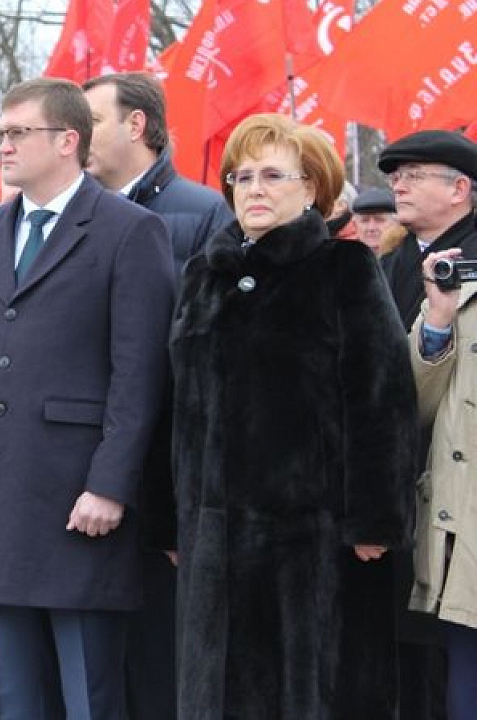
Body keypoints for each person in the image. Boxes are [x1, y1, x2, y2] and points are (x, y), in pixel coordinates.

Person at [0, 77, 174, 720]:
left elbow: (140, 372)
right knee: (17, 695)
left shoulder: (130, 231)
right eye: (1, 133)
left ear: (67, 141)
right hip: (0, 500)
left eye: (18, 133)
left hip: (80, 503)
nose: (4, 146)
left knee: (88, 692)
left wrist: (112, 485)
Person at [170, 113, 417, 720]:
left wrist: (375, 521)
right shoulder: (204, 276)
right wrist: (169, 519)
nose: (253, 188)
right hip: (212, 536)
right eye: (242, 175)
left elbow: (381, 401)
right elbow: (178, 403)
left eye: (273, 175)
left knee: (308, 693)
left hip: (313, 539)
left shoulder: (344, 271)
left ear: (311, 188)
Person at [82, 70, 234, 720]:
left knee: (158, 668)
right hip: (89, 471)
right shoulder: (78, 214)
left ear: (136, 124)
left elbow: (200, 364)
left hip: (160, 480)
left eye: (90, 122)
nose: (75, 137)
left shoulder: (202, 215)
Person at [377, 129, 477, 720]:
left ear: (461, 189)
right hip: (408, 500)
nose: (398, 183)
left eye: (415, 173)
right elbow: (390, 393)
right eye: (395, 174)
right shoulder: (391, 266)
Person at [82, 72, 234, 269]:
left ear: (135, 125)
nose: (78, 134)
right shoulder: (69, 210)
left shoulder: (211, 213)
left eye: (92, 121)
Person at [381, 130, 477, 329]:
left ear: (458, 189)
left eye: (414, 176)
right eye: (396, 178)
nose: (398, 188)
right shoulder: (383, 264)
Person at [350, 187, 400, 256]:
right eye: (364, 221)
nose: (371, 228)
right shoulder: (344, 260)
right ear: (355, 225)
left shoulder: (409, 258)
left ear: (396, 224)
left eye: (379, 220)